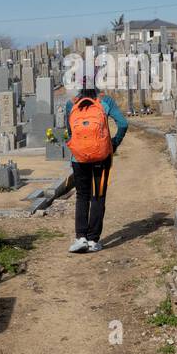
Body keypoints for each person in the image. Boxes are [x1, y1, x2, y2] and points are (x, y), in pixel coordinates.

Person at [64, 86, 128, 252]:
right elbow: (123, 123)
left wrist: (80, 147)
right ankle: (93, 240)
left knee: (82, 196)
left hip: (78, 158)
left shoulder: (71, 104)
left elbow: (70, 131)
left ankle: (81, 238)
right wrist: (114, 143)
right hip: (102, 156)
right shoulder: (105, 101)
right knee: (98, 196)